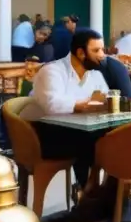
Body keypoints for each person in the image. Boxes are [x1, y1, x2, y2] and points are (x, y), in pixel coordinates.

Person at [22, 28, 109, 187]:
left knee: (113, 137)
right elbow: (51, 104)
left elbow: (104, 98)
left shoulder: (95, 75)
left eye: (102, 49)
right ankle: (89, 193)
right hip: (41, 137)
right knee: (90, 140)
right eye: (96, 50)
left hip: (74, 132)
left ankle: (100, 192)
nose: (102, 55)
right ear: (81, 53)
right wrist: (84, 105)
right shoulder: (52, 71)